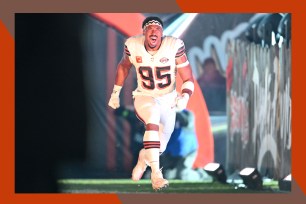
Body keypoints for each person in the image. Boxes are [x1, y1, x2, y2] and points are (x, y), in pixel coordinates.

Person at [108, 16, 195, 191]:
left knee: (159, 145)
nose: (154, 31)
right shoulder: (133, 45)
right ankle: (156, 174)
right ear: (144, 32)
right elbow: (124, 66)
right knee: (152, 118)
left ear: (162, 34)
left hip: (168, 98)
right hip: (144, 95)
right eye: (150, 28)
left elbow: (188, 77)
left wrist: (185, 96)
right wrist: (115, 93)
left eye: (157, 29)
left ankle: (143, 158)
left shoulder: (174, 45)